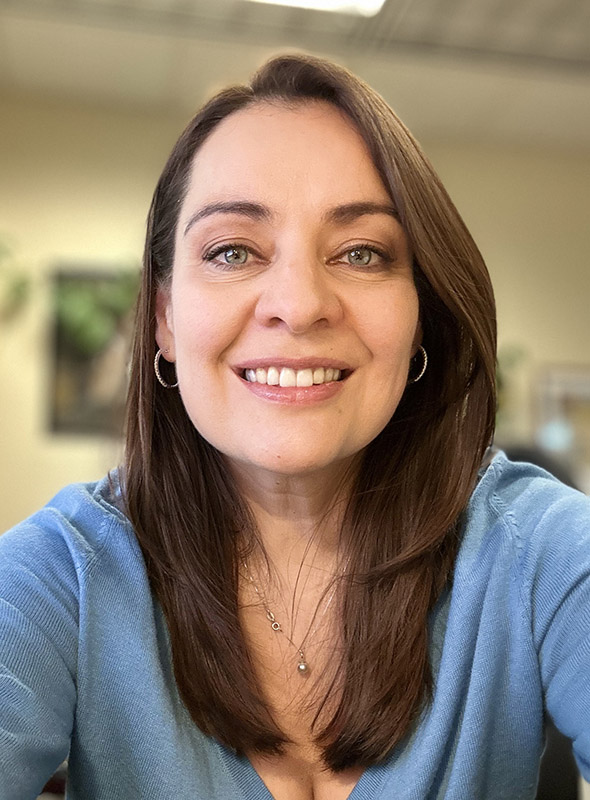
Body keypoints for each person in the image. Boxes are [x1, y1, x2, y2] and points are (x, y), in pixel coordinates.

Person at [0, 53, 589, 800]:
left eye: (362, 252)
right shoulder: (64, 577)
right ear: (164, 319)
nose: (300, 303)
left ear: (420, 318)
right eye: (233, 251)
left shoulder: (541, 554)